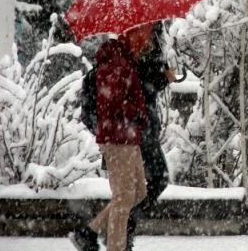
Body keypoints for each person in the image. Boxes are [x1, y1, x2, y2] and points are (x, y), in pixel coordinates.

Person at [70, 23, 151, 251]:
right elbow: (114, 103)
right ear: (132, 34)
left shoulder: (125, 60)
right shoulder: (116, 63)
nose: (147, 41)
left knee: (138, 192)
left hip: (128, 136)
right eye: (144, 35)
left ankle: (90, 231)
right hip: (118, 138)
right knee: (124, 198)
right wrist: (139, 111)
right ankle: (115, 247)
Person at [125, 22, 177, 251]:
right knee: (156, 179)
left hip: (141, 126)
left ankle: (116, 229)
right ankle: (115, 229)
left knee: (139, 186)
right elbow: (142, 88)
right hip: (139, 127)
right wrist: (164, 78)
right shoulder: (134, 43)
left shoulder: (150, 37)